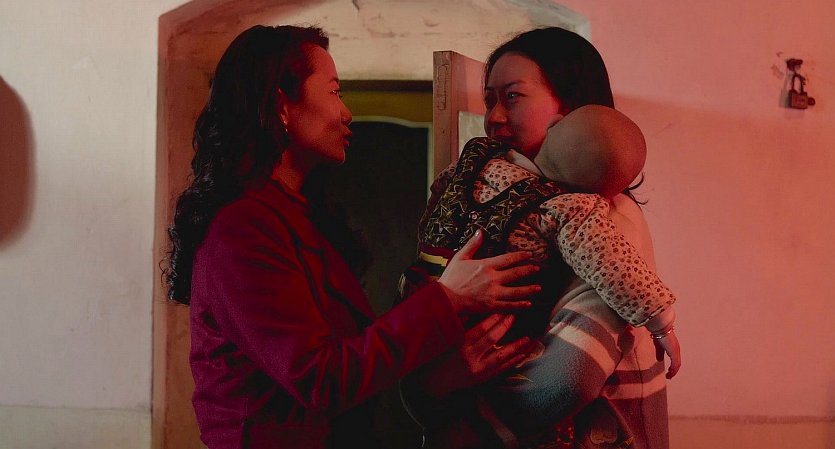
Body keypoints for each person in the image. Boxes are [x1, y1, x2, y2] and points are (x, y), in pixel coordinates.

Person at [162, 25, 544, 449]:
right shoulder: (244, 227)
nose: (346, 113)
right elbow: (321, 382)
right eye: (334, 91)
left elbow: (356, 365)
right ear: (281, 105)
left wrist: (439, 374)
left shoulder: (295, 215)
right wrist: (447, 298)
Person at [400, 27, 678, 449]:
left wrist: (450, 413)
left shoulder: (602, 223)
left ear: (570, 109)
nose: (494, 116)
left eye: (512, 96)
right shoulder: (493, 182)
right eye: (489, 99)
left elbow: (569, 377)